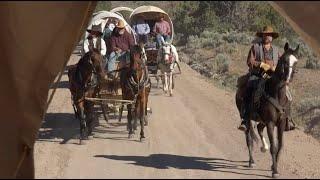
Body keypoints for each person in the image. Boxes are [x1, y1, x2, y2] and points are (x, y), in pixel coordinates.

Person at [238, 26, 283, 131]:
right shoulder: (255, 47)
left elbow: (281, 63)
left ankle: (288, 119)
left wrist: (277, 67)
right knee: (249, 89)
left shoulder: (276, 51)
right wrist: (261, 64)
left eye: (269, 35)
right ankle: (245, 119)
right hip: (257, 75)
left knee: (286, 92)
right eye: (265, 34)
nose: (267, 36)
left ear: (272, 37)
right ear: (262, 36)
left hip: (272, 76)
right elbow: (250, 62)